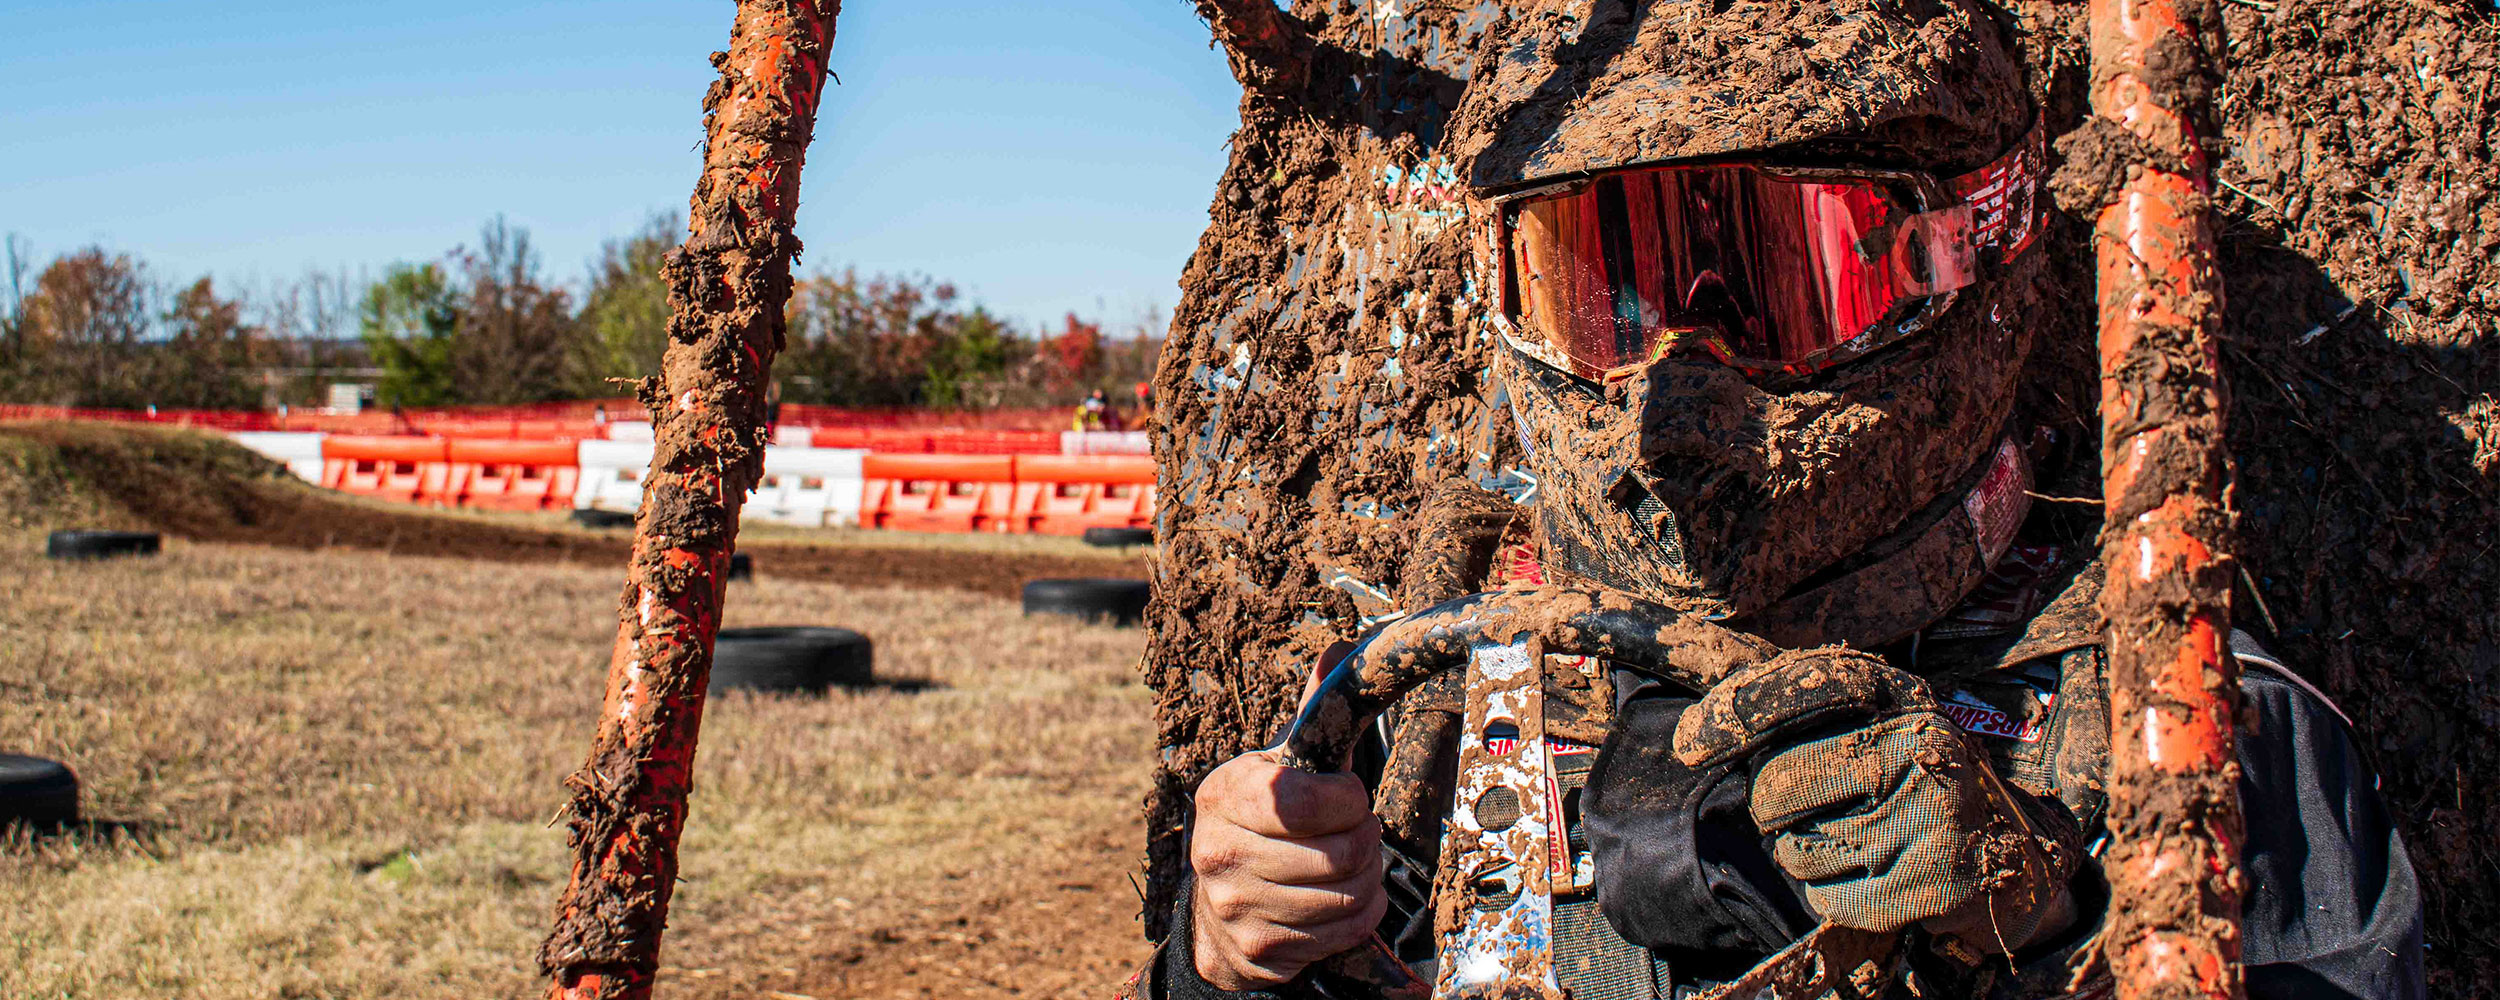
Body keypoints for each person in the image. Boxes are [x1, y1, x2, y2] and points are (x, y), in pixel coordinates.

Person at [1125, 2, 2424, 999]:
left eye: (1787, 278)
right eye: (1605, 284)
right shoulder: (1464, 677)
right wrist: (1237, 944)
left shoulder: (2172, 708)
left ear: (1978, 250)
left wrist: (2050, 919)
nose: (1673, 401)